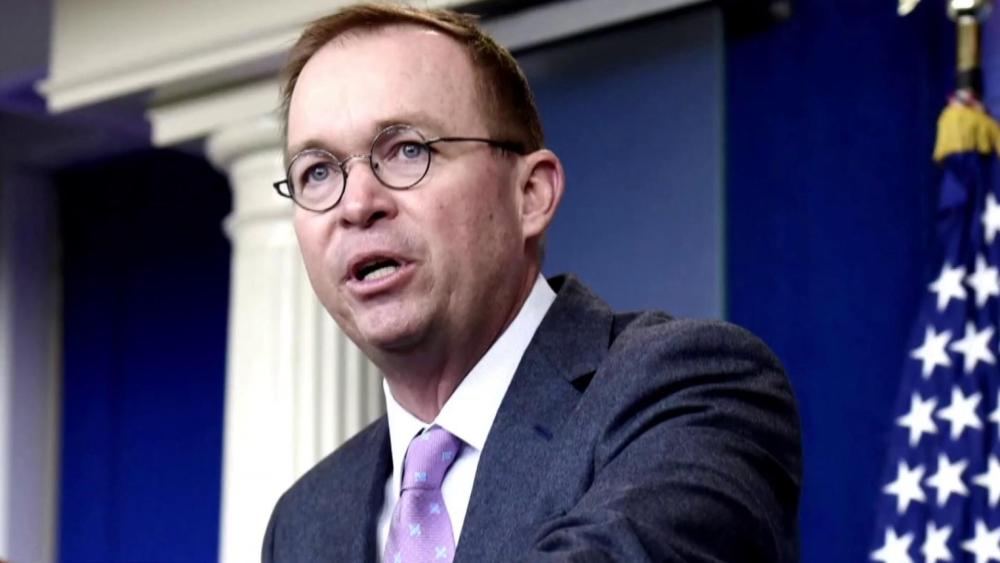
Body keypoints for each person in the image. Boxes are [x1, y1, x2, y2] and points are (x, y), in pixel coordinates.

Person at [262, 4, 801, 562]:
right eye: (317, 172)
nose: (356, 204)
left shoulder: (691, 389)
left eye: (407, 150)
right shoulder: (302, 522)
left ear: (530, 195)